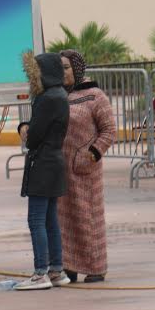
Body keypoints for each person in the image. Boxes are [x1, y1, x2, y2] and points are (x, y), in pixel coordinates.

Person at [58, 50, 116, 284]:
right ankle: (69, 266)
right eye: (59, 68)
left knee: (87, 218)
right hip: (62, 170)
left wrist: (91, 154)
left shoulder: (95, 96)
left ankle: (95, 267)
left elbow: (109, 131)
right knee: (65, 219)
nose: (62, 72)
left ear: (77, 69)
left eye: (66, 67)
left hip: (85, 171)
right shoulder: (58, 96)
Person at [15, 52, 70, 291]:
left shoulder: (47, 98)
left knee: (36, 220)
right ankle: (56, 270)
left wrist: (25, 131)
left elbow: (34, 136)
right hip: (54, 162)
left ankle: (41, 273)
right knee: (50, 220)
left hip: (43, 164)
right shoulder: (60, 95)